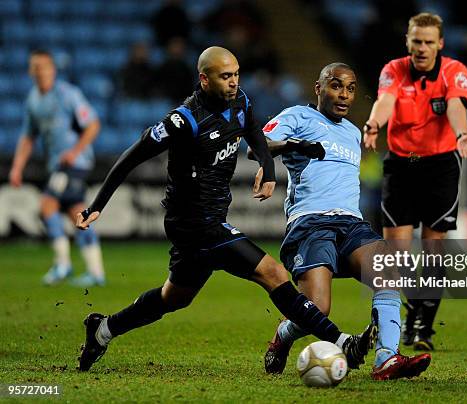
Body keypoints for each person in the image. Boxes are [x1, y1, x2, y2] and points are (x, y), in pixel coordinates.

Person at [75, 47, 374, 372]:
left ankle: (102, 330)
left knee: (174, 297)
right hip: (192, 223)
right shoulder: (183, 120)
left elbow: (255, 135)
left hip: (212, 218)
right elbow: (130, 158)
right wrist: (97, 204)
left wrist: (269, 170)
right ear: (204, 79)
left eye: (236, 75)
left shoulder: (240, 102)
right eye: (225, 76)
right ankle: (343, 342)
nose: (233, 82)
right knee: (272, 273)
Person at [253, 63, 431, 380]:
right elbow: (259, 145)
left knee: (388, 271)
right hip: (310, 223)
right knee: (318, 308)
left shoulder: (352, 132)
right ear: (319, 88)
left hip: (350, 224)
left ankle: (387, 359)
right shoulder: (297, 116)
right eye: (336, 86)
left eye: (350, 88)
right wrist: (293, 146)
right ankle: (283, 334)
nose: (344, 95)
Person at [363, 13, 467, 351]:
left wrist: (462, 133)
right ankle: (401, 316)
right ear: (408, 41)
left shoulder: (454, 71)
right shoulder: (393, 69)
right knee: (396, 258)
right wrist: (374, 124)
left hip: (441, 164)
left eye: (429, 42)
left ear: (440, 44)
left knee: (433, 251)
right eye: (417, 41)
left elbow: (456, 106)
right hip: (402, 165)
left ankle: (422, 328)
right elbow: (385, 101)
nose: (422, 48)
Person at [9, 49, 105, 287]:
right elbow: (27, 137)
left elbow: (93, 124)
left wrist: (74, 152)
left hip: (75, 163)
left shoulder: (67, 94)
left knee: (47, 205)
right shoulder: (33, 99)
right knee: (78, 213)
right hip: (57, 166)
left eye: (43, 66)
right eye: (35, 66)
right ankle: (95, 271)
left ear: (52, 69)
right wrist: (17, 168)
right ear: (31, 71)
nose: (39, 71)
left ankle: (63, 264)